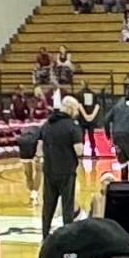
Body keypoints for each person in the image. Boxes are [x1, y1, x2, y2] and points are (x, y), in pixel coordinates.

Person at [37, 92, 86, 225]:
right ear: (70, 109)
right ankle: (67, 235)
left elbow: (39, 148)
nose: (77, 112)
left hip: (49, 170)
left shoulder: (47, 124)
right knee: (67, 205)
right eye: (76, 109)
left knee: (48, 206)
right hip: (66, 171)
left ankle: (45, 235)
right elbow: (79, 150)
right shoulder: (73, 126)